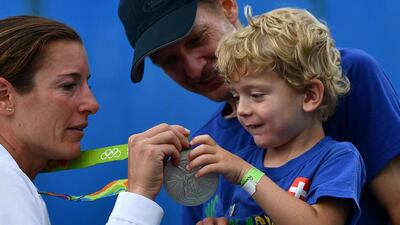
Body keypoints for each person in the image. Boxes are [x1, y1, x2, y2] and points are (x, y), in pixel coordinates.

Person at [118, 0, 400, 225]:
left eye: (196, 39)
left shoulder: (347, 76)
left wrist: (244, 173)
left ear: (228, 6)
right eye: (169, 61)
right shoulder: (204, 148)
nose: (193, 68)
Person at [0, 15, 189, 225]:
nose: (92, 104)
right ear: (4, 96)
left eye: (86, 84)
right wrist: (140, 194)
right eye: (68, 86)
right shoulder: (5, 182)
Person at [187, 7, 365, 224]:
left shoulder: (338, 159)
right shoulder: (241, 161)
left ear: (310, 96)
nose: (241, 109)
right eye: (236, 96)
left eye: (256, 95)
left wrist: (246, 175)